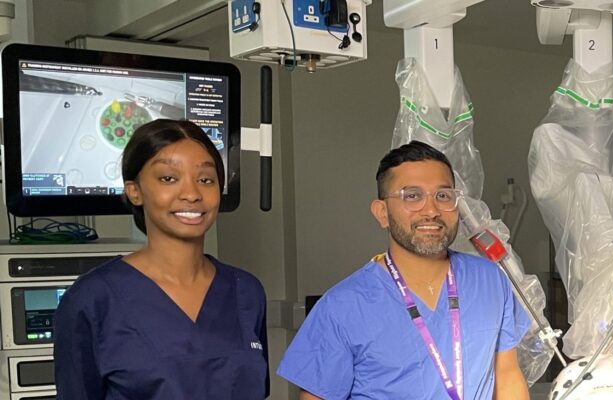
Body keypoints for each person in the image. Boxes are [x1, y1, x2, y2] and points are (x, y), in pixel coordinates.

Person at [278, 140, 530, 400]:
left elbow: (507, 375)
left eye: (443, 195)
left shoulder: (489, 281)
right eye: (412, 196)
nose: (431, 210)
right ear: (382, 213)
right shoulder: (342, 307)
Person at [54, 119, 269, 399]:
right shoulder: (92, 300)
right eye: (168, 178)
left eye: (205, 180)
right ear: (134, 191)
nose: (192, 194)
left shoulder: (246, 291)